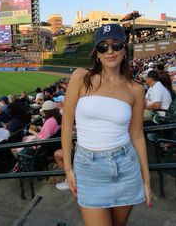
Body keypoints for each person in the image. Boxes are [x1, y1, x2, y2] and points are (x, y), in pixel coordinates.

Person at [62, 24, 151, 226]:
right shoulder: (80, 78)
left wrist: (146, 180)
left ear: (124, 50)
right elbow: (67, 123)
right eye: (103, 47)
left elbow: (137, 135)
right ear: (97, 54)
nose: (110, 51)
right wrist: (68, 169)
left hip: (126, 166)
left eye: (116, 45)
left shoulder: (136, 89)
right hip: (88, 167)